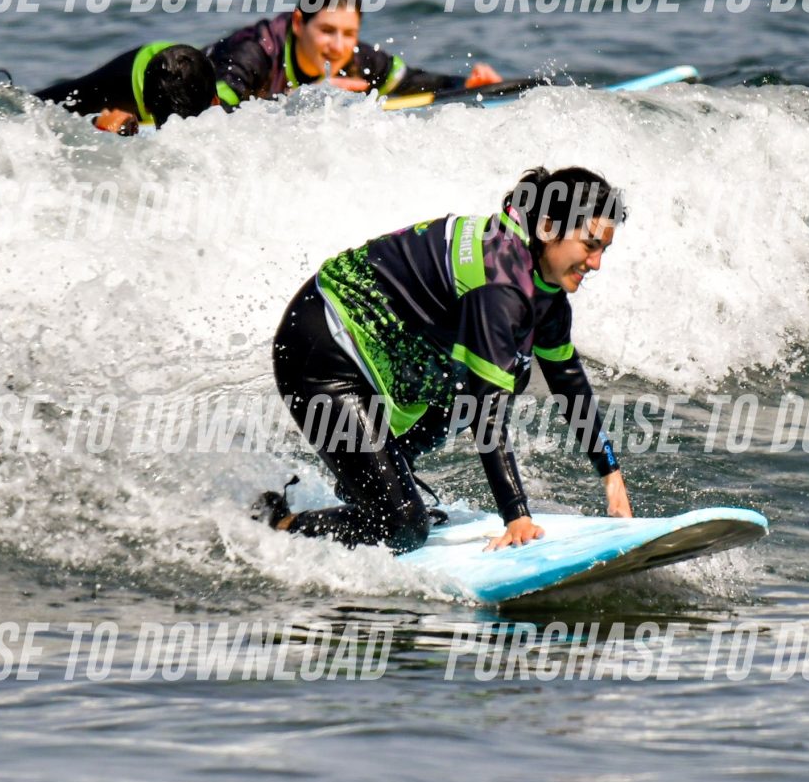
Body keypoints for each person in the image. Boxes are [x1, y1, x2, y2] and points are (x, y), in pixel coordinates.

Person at [266, 167, 631, 552]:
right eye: (589, 245)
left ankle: (379, 481)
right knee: (403, 528)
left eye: (603, 249)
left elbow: (567, 378)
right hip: (322, 351)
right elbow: (485, 408)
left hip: (381, 355)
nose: (596, 263)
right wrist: (517, 516)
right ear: (547, 228)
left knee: (509, 371)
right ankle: (279, 523)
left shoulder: (537, 281)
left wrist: (611, 475)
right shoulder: (499, 286)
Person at [210, 0, 500, 107]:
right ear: (298, 23)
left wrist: (468, 84)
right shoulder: (255, 52)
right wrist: (303, 98)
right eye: (327, 31)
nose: (339, 47)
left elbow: (418, 83)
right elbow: (215, 113)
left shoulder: (360, 60)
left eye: (349, 34)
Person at [34, 41, 218, 135]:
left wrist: (120, 129)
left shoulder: (224, 116)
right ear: (215, 101)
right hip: (132, 75)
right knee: (43, 103)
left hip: (174, 68)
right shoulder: (227, 120)